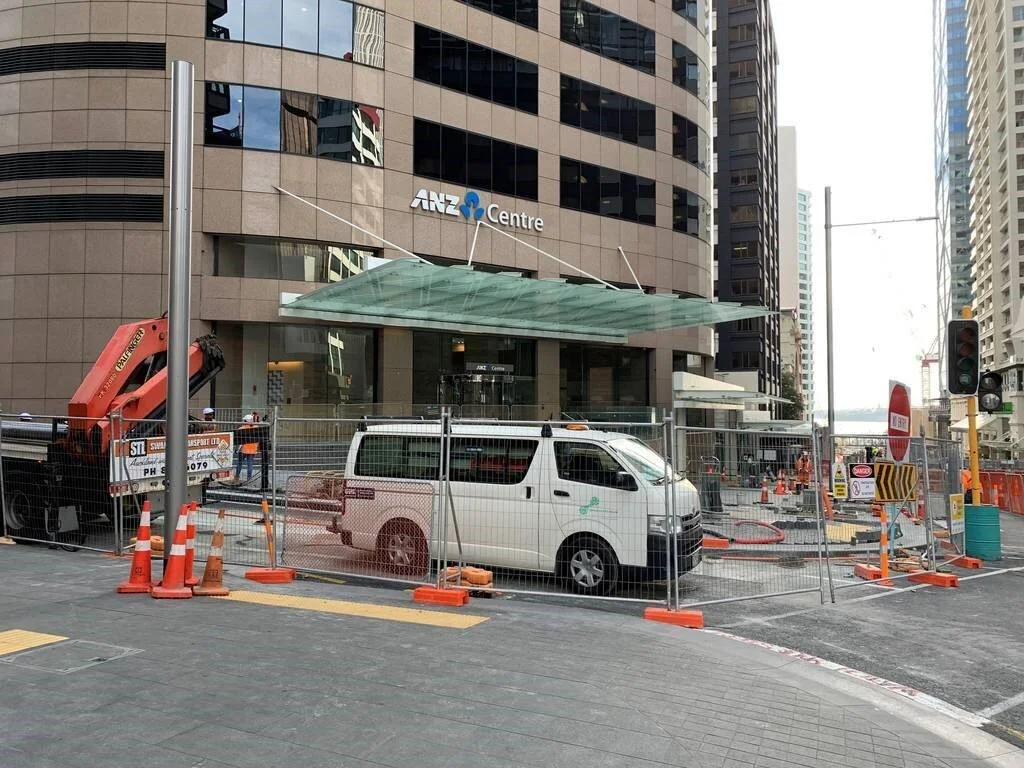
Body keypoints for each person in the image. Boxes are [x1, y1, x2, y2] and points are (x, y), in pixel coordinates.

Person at [233, 414, 260, 484]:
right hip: (252, 449)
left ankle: (237, 477)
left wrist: (236, 449)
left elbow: (238, 440)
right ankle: (249, 479)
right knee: (250, 464)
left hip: (243, 449)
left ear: (245, 421)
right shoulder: (256, 428)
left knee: (239, 463)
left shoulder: (241, 428)